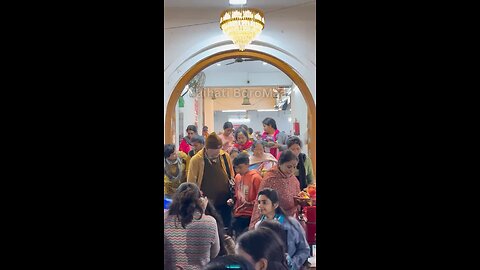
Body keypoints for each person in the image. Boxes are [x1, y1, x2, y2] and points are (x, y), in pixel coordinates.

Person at [164, 182, 220, 270]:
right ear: (200, 200)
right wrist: (203, 212)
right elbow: (214, 253)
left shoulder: (165, 220)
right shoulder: (210, 222)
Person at [188, 132, 235, 230]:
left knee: (225, 228)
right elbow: (191, 183)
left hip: (224, 202)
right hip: (206, 204)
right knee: (210, 229)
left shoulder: (224, 156)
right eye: (215, 151)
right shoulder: (196, 160)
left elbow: (231, 175)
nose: (218, 153)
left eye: (219, 149)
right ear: (207, 148)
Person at [254, 189, 310, 270]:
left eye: (264, 202)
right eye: (259, 202)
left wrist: (292, 264)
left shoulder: (291, 224)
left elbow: (304, 249)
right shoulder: (258, 226)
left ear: (275, 205)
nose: (260, 206)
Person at [249, 150, 300, 230]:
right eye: (289, 167)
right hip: (273, 220)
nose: (292, 170)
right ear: (279, 164)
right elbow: (260, 201)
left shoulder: (293, 179)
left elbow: (297, 196)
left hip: (291, 219)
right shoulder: (270, 179)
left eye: (295, 167)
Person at [227, 153, 263, 239]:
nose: (238, 170)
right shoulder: (237, 177)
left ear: (247, 165)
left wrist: (250, 203)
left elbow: (261, 198)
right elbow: (237, 194)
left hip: (251, 214)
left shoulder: (256, 178)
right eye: (235, 168)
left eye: (240, 167)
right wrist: (232, 200)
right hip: (239, 212)